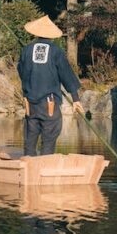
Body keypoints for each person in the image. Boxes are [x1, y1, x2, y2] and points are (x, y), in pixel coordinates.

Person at [17, 15, 83, 156]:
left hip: (31, 104)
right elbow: (66, 74)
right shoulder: (56, 51)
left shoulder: (27, 50)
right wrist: (75, 98)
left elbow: (21, 71)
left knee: (30, 140)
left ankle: (29, 168)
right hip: (49, 104)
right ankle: (44, 168)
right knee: (48, 140)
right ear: (51, 35)